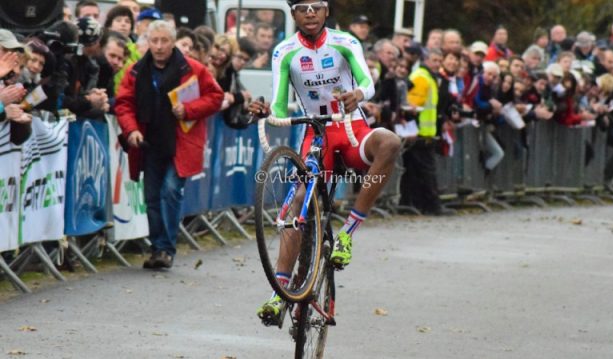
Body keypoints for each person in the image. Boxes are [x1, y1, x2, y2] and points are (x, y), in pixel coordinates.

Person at [248, 0, 401, 323]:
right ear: (293, 14)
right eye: (302, 7)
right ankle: (279, 293)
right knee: (298, 203)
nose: (310, 13)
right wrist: (266, 111)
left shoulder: (345, 42)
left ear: (326, 10)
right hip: (314, 133)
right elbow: (278, 104)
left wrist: (357, 95)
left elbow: (368, 82)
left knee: (390, 141)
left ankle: (347, 233)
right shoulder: (284, 51)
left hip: (350, 127)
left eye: (316, 6)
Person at [115, 20, 224, 269]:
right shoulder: (135, 71)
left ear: (173, 42)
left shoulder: (192, 68)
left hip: (181, 142)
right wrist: (130, 130)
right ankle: (157, 249)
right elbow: (123, 104)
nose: (160, 46)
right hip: (148, 142)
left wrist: (188, 109)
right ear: (148, 43)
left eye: (165, 41)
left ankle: (166, 248)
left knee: (171, 190)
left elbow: (215, 96)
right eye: (155, 41)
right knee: (152, 196)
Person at [401, 48, 455, 215]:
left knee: (416, 172)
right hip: (420, 132)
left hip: (426, 131)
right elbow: (413, 106)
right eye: (434, 60)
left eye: (440, 61)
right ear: (425, 60)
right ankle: (431, 206)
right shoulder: (421, 77)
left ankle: (414, 204)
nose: (437, 64)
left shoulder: (428, 77)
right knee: (426, 171)